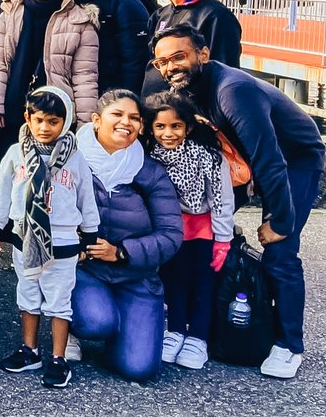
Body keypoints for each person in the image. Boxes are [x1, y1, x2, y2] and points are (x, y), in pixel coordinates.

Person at [152, 26, 325, 379]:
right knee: (218, 246)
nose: (171, 67)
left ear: (202, 54)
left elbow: (270, 159)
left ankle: (289, 344)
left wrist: (279, 220)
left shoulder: (233, 91)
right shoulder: (185, 90)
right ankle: (231, 322)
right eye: (163, 62)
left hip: (294, 159)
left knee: (281, 251)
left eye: (179, 57)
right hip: (247, 161)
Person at [0, 87, 99, 389]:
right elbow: (3, 192)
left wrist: (90, 233)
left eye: (53, 121)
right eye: (39, 121)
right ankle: (29, 349)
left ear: (66, 122)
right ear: (28, 118)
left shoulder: (75, 158)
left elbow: (87, 197)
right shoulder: (16, 153)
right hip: (26, 237)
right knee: (28, 295)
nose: (45, 128)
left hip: (63, 242)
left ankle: (58, 358)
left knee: (60, 301)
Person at [71, 89, 183, 384]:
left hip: (136, 276)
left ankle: (129, 331)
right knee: (95, 322)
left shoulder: (150, 172)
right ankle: (73, 325)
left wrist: (122, 252)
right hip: (85, 271)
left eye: (134, 118)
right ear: (96, 120)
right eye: (117, 115)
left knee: (139, 369)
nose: (126, 123)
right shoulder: (70, 161)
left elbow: (171, 235)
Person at [143, 91, 234, 371]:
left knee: (203, 284)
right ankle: (175, 331)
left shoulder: (206, 156)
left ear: (188, 127)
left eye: (176, 126)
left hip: (204, 227)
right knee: (175, 280)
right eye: (160, 126)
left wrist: (223, 240)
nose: (168, 133)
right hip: (171, 228)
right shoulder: (149, 156)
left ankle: (198, 338)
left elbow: (221, 198)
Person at [0, 0, 100, 148]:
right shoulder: (10, 13)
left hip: (55, 114)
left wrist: (84, 124)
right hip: (14, 106)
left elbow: (85, 76)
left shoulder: (79, 19)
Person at [143, 0, 242, 93]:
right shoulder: (159, 15)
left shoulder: (217, 16)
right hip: (156, 108)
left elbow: (225, 75)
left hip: (186, 112)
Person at [61, 0, 149, 95]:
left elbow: (136, 60)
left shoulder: (125, 2)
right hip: (78, 93)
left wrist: (126, 99)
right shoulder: (66, 1)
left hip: (112, 94)